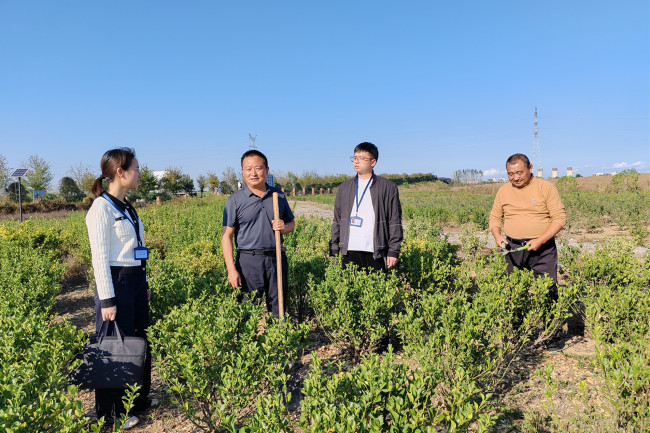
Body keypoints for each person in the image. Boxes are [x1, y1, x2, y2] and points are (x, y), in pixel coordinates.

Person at [86, 148, 154, 429]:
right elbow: (99, 259)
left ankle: (136, 399)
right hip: (116, 283)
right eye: (136, 168)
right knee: (115, 344)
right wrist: (108, 300)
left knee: (138, 338)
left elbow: (136, 248)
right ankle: (111, 411)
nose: (140, 173)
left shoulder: (126, 205)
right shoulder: (100, 209)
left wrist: (144, 282)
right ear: (120, 172)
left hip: (135, 279)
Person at [221, 150, 295, 318]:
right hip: (248, 261)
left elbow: (292, 224)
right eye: (248, 169)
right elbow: (227, 236)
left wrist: (284, 227)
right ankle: (247, 343)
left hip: (276, 258)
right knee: (247, 309)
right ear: (242, 171)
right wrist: (231, 269)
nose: (253, 173)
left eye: (258, 168)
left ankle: (278, 343)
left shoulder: (278, 195)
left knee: (279, 307)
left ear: (266, 170)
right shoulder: (234, 200)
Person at [488, 153, 567, 300]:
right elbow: (494, 217)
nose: (515, 177)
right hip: (512, 248)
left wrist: (541, 240)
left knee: (547, 291)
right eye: (510, 174)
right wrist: (498, 236)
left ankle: (549, 322)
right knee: (515, 291)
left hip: (543, 249)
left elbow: (560, 218)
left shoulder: (545, 187)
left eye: (519, 172)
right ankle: (519, 322)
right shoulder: (503, 191)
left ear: (530, 168)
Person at [330, 142, 403, 272]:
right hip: (349, 251)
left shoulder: (387, 187)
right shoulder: (344, 187)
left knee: (376, 289)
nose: (356, 162)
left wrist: (393, 250)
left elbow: (394, 220)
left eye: (362, 158)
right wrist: (334, 247)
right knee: (350, 290)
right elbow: (337, 219)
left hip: (376, 251)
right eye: (355, 158)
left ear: (373, 162)